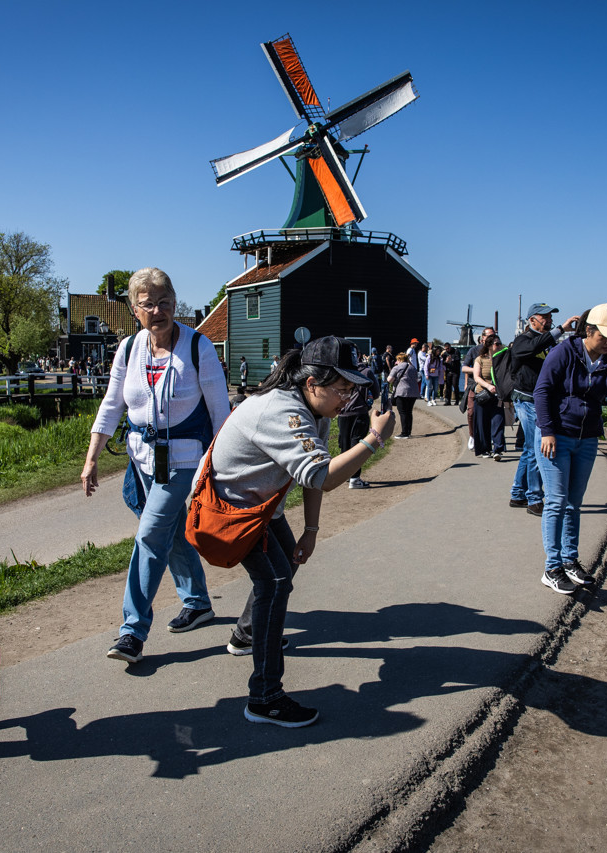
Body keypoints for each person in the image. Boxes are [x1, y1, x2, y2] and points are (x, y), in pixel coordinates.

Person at [209, 337, 395, 726]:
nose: (348, 398)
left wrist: (311, 529)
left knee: (286, 567)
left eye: (352, 389)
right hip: (232, 510)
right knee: (275, 582)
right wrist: (374, 439)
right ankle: (264, 697)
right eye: (343, 389)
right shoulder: (283, 411)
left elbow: (314, 472)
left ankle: (246, 636)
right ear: (312, 383)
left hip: (260, 504)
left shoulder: (315, 408)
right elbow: (322, 477)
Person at [82, 267, 231, 664]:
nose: (158, 310)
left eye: (165, 302)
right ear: (135, 309)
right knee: (171, 530)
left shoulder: (198, 347)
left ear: (175, 303)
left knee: (150, 536)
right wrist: (92, 456)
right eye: (148, 304)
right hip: (141, 459)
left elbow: (221, 413)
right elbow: (112, 404)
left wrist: (223, 466)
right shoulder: (129, 349)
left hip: (185, 459)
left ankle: (132, 631)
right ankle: (197, 601)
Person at [534, 304, 607, 594]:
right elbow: (543, 390)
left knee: (575, 502)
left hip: (587, 438)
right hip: (557, 435)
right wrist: (547, 431)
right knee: (557, 500)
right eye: (605, 335)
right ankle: (552, 568)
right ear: (589, 330)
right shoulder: (564, 352)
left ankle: (569, 559)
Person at [508, 303, 584, 516]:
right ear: (532, 320)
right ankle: (534, 499)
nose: (549, 320)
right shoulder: (523, 341)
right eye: (545, 317)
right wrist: (560, 329)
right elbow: (533, 348)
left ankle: (517, 493)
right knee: (535, 448)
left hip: (538, 400)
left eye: (550, 317)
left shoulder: (547, 342)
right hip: (527, 399)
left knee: (529, 450)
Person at [338, 355, 380, 488]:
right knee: (357, 444)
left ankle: (344, 474)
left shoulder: (341, 371)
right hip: (359, 412)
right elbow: (376, 392)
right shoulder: (367, 372)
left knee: (344, 444)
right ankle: (355, 478)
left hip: (342, 412)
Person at [471, 334, 507, 460]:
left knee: (498, 421)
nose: (499, 345)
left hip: (498, 395)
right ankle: (485, 449)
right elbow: (476, 377)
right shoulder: (480, 359)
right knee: (483, 423)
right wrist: (488, 386)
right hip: (483, 395)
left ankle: (498, 449)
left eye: (500, 343)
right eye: (497, 344)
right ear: (489, 346)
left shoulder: (503, 359)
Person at [462, 327, 495, 451]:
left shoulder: (497, 349)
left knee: (492, 413)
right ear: (483, 338)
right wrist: (476, 370)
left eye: (494, 335)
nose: (492, 338)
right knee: (471, 412)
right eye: (489, 336)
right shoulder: (474, 350)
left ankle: (488, 436)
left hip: (492, 385)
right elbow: (464, 368)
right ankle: (472, 435)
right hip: (475, 384)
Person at [387, 351, 421, 438]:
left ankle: (404, 433)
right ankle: (408, 432)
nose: (396, 362)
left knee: (403, 412)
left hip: (401, 392)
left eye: (397, 360)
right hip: (413, 392)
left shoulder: (397, 368)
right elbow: (417, 379)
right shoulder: (412, 367)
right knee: (409, 412)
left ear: (399, 359)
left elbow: (389, 379)